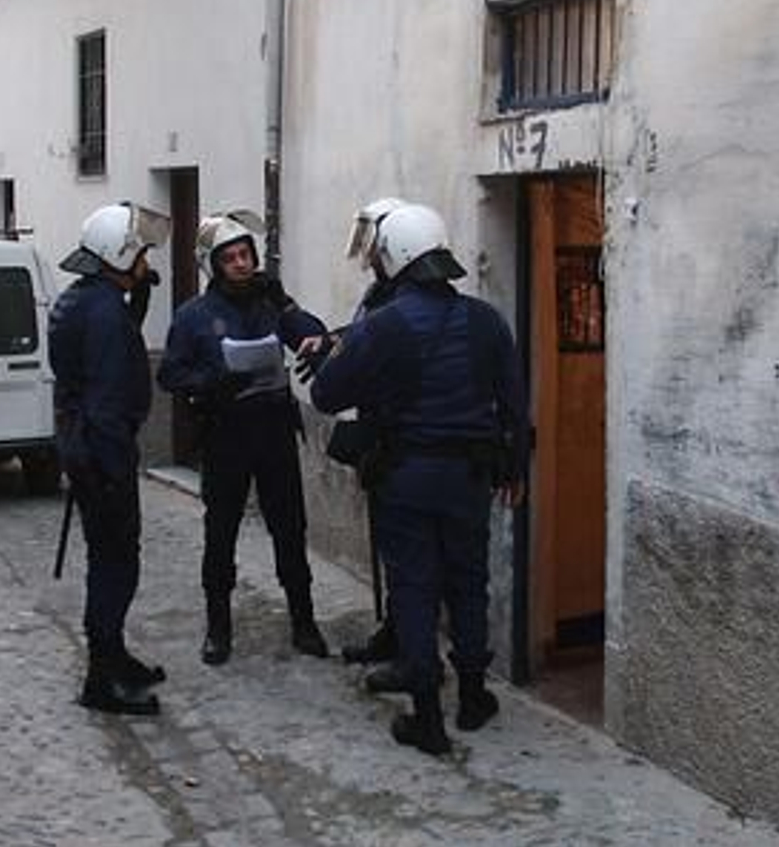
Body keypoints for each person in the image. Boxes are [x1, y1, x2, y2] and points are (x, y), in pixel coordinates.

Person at [308, 203, 529, 757]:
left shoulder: (382, 326)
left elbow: (326, 394)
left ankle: (427, 717)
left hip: (406, 475)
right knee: (468, 581)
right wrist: (516, 467)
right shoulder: (486, 320)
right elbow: (513, 401)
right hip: (470, 477)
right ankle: (474, 696)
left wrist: (354, 361)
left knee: (414, 587)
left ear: (396, 259)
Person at [157, 208, 331, 665]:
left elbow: (309, 334)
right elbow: (171, 373)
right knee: (221, 534)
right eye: (230, 257)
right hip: (225, 434)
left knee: (290, 530)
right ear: (213, 265)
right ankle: (218, 627)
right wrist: (212, 383)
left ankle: (303, 620)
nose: (240, 263)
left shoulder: (271, 302)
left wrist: (297, 315)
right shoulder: (193, 316)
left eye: (245, 254)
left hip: (273, 430)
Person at [49, 201, 170, 715]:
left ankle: (114, 655)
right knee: (115, 565)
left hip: (86, 448)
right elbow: (105, 395)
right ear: (119, 254)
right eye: (140, 252)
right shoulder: (101, 313)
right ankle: (102, 677)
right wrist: (114, 469)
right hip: (102, 455)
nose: (146, 260)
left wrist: (134, 298)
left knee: (112, 562)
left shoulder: (86, 299)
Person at [329, 198, 407, 686]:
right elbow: (362, 337)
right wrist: (335, 341)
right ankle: (394, 632)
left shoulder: (400, 301)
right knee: (392, 547)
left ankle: (411, 650)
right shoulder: (381, 294)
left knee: (407, 555)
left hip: (397, 439)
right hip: (380, 436)